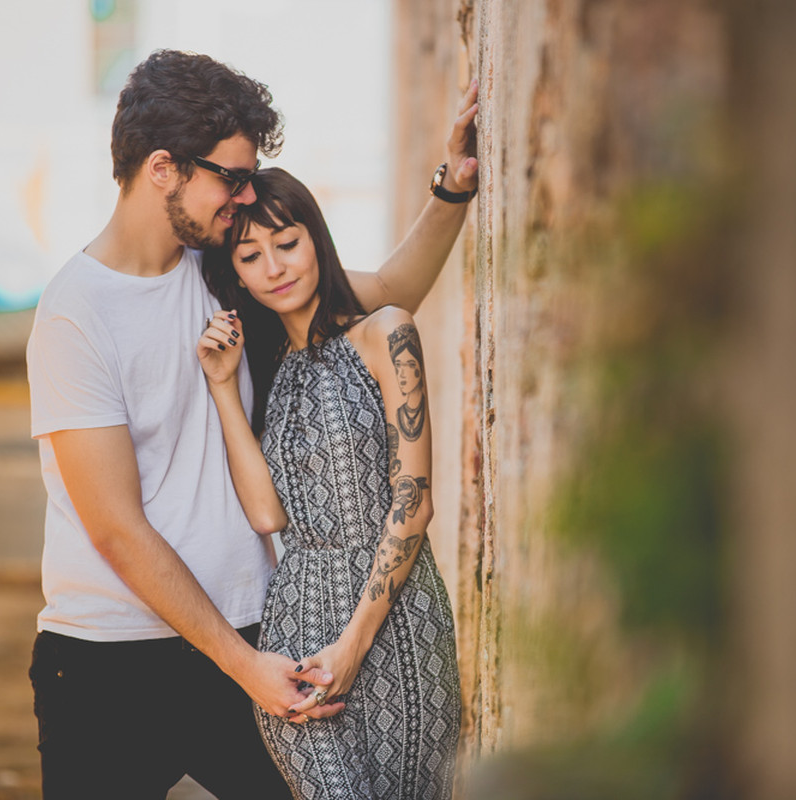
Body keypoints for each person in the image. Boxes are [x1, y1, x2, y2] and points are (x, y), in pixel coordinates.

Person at [25, 49, 477, 799]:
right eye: (230, 179)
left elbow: (387, 292)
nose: (242, 199)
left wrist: (452, 188)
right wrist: (246, 669)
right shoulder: (75, 314)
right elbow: (115, 529)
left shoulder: (225, 272)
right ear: (165, 168)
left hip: (257, 632)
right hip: (109, 660)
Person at [198, 167, 461, 799]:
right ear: (236, 275)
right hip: (296, 628)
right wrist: (223, 388)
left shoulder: (385, 331)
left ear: (316, 238)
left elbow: (414, 504)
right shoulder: (270, 369)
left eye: (287, 243)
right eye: (251, 256)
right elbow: (267, 515)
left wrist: (352, 645)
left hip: (400, 622)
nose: (274, 267)